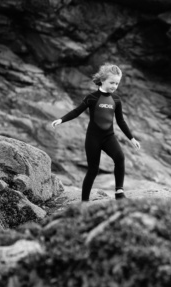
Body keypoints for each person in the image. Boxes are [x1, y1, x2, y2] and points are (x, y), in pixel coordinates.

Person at [51, 63, 141, 201]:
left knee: (120, 158)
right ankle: (85, 201)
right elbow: (77, 111)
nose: (114, 86)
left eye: (116, 84)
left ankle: (119, 192)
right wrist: (61, 120)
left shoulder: (116, 100)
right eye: (111, 82)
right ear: (103, 79)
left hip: (109, 137)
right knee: (93, 170)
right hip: (93, 138)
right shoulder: (92, 97)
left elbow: (121, 121)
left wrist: (132, 139)